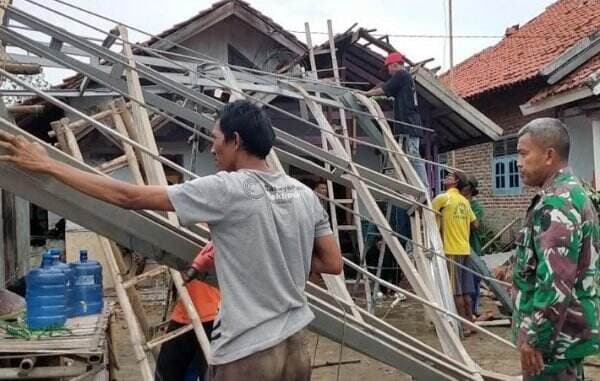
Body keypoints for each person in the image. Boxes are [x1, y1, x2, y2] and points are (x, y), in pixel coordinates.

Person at [0, 100, 343, 381]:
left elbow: (128, 197)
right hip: (295, 349)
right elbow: (332, 263)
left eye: (216, 138)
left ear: (236, 141)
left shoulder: (226, 189)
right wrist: (272, 252)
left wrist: (48, 166)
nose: (212, 147)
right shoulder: (303, 195)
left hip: (248, 353)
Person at [513, 118, 599, 380]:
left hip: (553, 342)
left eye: (523, 153)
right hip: (567, 334)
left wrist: (535, 338)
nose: (518, 162)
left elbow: (556, 282)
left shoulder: (557, 204)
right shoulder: (572, 193)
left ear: (549, 155)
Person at [155, 242, 220, 381]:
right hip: (192, 311)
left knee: (205, 371)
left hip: (206, 313)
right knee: (172, 369)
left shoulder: (205, 230)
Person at [363, 51, 427, 187]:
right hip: (408, 124)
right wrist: (375, 96)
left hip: (409, 124)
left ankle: (423, 186)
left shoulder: (401, 75)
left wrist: (366, 94)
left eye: (388, 68)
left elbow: (384, 89)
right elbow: (388, 93)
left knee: (413, 156)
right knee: (407, 157)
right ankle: (413, 185)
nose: (388, 71)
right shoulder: (405, 79)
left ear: (394, 65)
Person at [432, 171, 479, 336]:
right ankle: (471, 323)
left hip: (451, 250)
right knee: (466, 291)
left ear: (456, 181)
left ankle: (462, 325)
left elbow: (427, 213)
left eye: (450, 177)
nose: (445, 178)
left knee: (456, 291)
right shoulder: (465, 202)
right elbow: (476, 224)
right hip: (465, 249)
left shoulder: (443, 198)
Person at [461, 175, 485, 316]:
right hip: (458, 248)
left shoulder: (476, 207)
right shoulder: (458, 202)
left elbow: (475, 226)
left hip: (472, 249)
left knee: (474, 281)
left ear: (469, 189)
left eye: (463, 186)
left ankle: (473, 311)